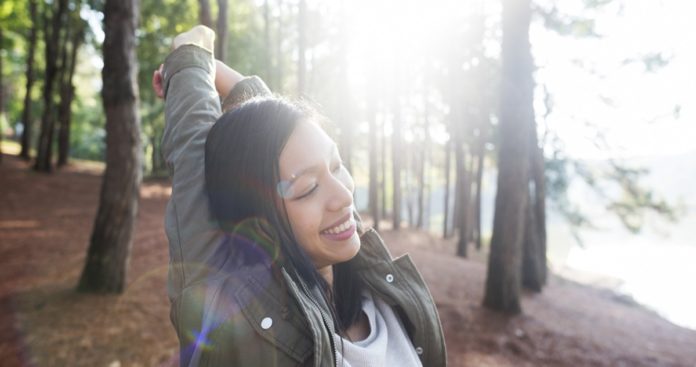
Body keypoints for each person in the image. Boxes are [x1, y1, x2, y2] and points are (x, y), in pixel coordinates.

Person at [153, 25, 446, 366]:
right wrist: (189, 60)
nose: (343, 196)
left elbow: (276, 135)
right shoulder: (243, 321)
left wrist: (210, 66)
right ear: (257, 222)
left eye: (337, 166)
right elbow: (198, 156)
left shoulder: (379, 288)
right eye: (308, 189)